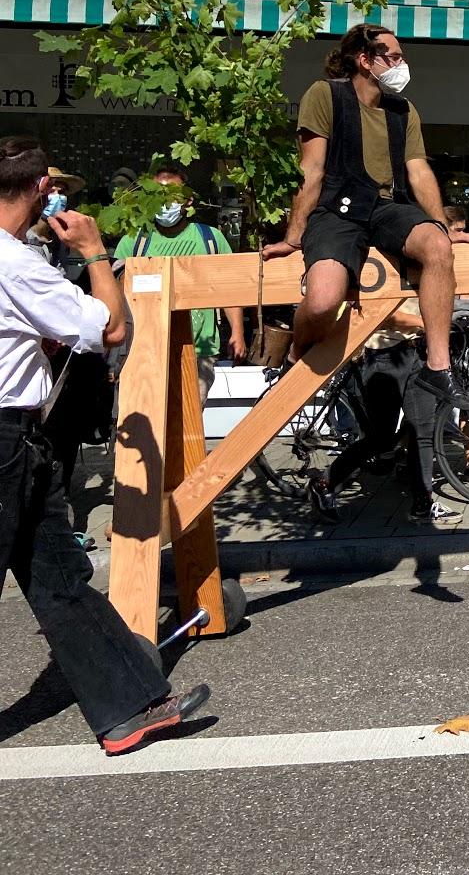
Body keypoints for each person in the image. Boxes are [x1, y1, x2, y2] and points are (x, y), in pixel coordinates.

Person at [0, 136, 210, 754]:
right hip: (6, 436)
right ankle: (132, 704)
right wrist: (94, 253)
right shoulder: (16, 263)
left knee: (58, 577)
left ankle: (131, 705)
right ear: (43, 190)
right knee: (55, 577)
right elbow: (112, 325)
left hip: (22, 439)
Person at [263, 25, 469, 411]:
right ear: (365, 60)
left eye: (402, 56)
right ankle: (296, 356)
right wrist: (293, 235)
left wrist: (443, 227)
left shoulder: (403, 109)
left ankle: (438, 366)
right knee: (322, 300)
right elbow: (311, 171)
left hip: (384, 206)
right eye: (394, 57)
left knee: (436, 245)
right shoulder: (326, 94)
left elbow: (418, 171)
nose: (402, 64)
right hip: (337, 208)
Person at [26, 165, 112, 550]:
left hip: (65, 360)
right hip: (24, 367)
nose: (57, 196)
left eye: (63, 190)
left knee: (62, 441)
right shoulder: (20, 244)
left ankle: (59, 526)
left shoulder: (66, 244)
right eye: (51, 189)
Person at [114, 164, 246, 404]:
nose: (165, 202)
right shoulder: (134, 241)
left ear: (188, 201)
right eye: (157, 194)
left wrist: (237, 331)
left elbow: (230, 289)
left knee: (189, 422)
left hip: (199, 350)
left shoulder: (211, 239)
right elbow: (116, 294)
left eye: (172, 195)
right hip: (143, 349)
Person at [323, 306, 460, 525]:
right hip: (384, 356)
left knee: (422, 432)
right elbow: (384, 315)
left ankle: (423, 504)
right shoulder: (380, 273)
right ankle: (325, 484)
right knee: (381, 439)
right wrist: (430, 324)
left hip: (419, 352)